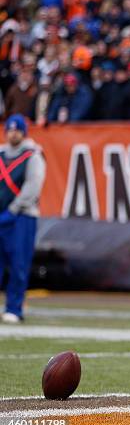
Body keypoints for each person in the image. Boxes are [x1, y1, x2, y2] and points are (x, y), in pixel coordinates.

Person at [0, 114, 46, 323]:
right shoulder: (1, 153)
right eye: (10, 129)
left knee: (19, 262)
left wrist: (14, 208)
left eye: (17, 130)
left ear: (23, 132)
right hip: (1, 215)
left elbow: (33, 186)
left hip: (22, 216)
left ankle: (14, 308)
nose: (13, 133)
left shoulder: (32, 155)